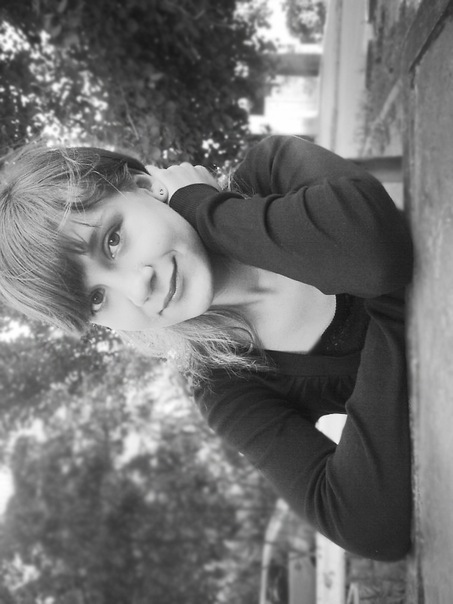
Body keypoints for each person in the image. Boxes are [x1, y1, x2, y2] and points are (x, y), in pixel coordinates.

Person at [0, 135, 413, 561]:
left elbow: (376, 251)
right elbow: (368, 525)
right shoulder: (222, 384)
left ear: (146, 187)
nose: (137, 288)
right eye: (97, 299)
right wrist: (397, 304)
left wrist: (201, 207)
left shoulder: (271, 173)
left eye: (113, 240)